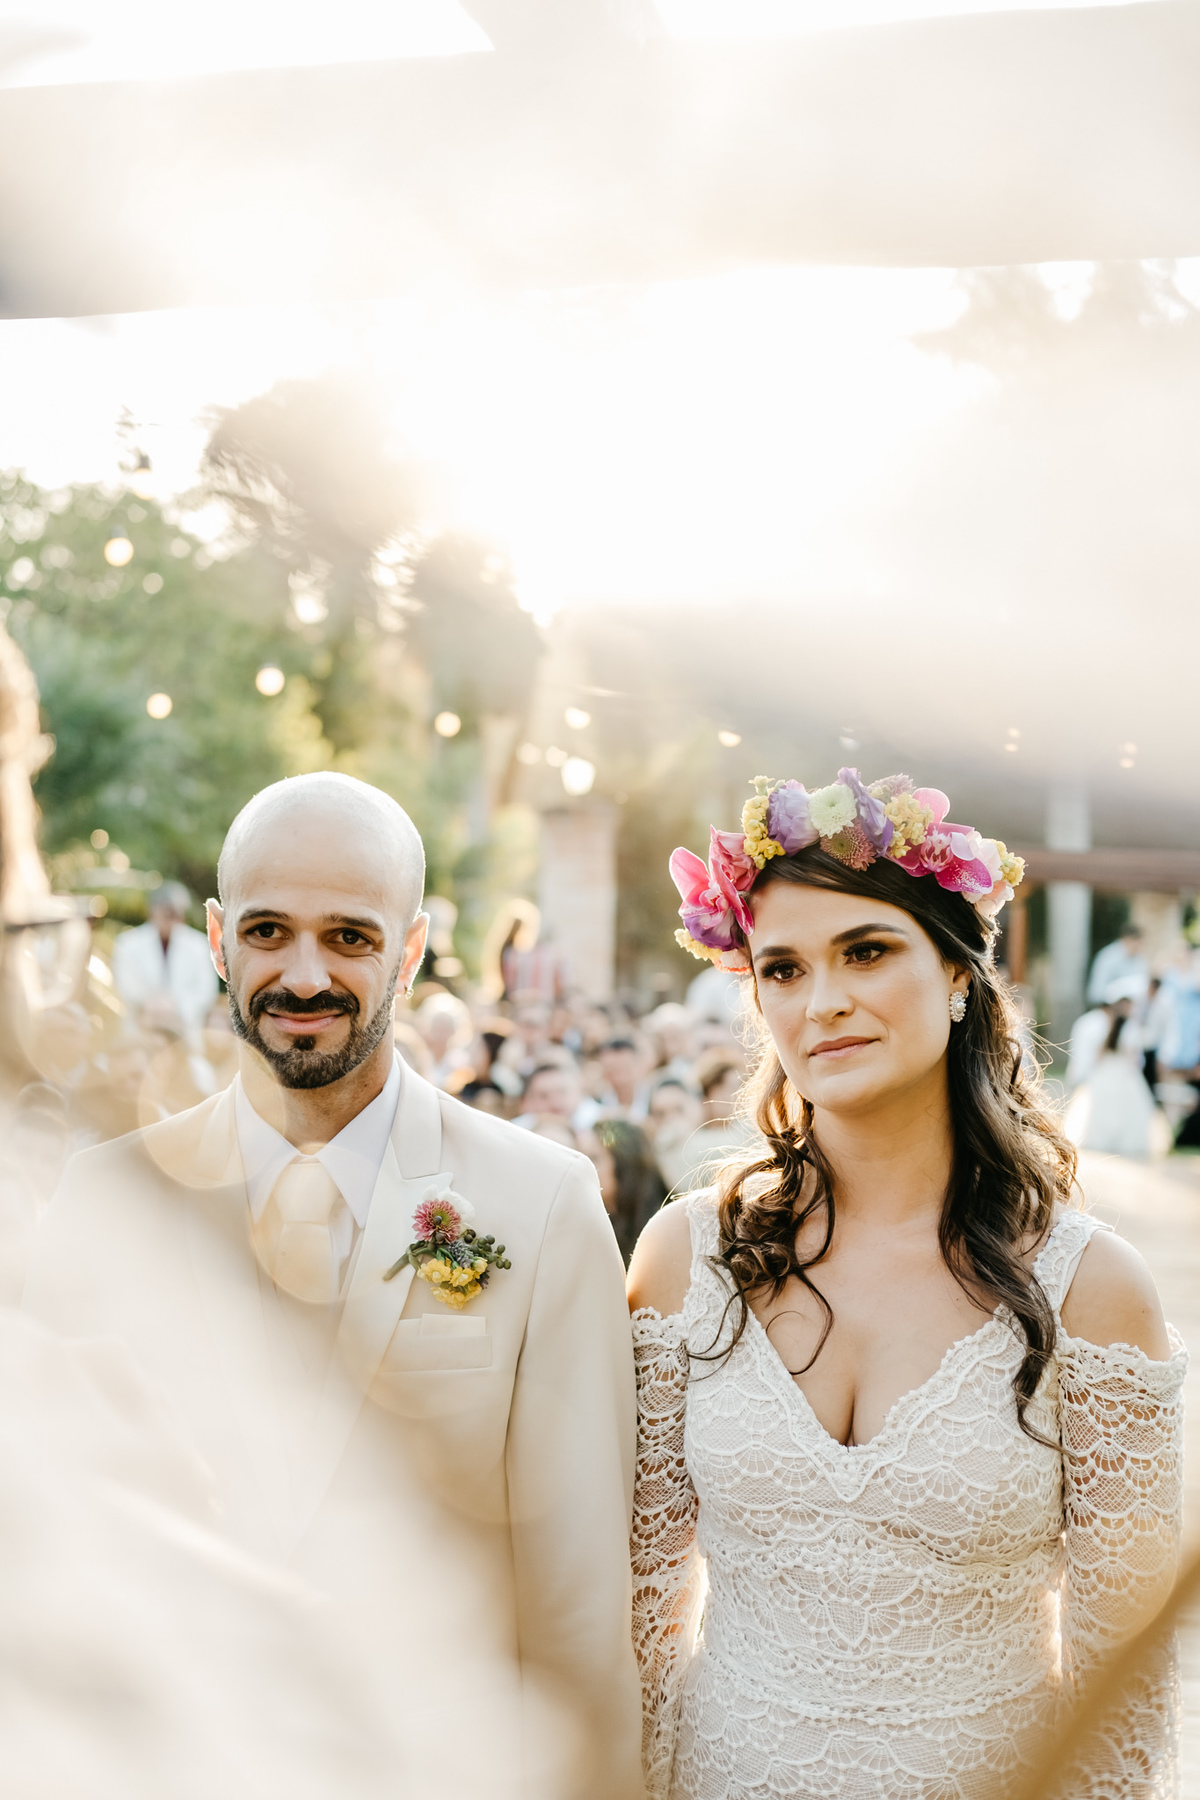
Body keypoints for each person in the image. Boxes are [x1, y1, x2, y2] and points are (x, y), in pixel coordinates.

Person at [24, 771, 644, 1800]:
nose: (303, 975)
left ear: (409, 947)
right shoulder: (99, 1205)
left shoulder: (541, 1206)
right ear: (219, 942)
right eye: (269, 932)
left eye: (350, 937)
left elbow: (578, 1614)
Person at [628, 770, 1184, 1800]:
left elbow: (1126, 1684)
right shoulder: (681, 1260)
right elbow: (638, 1614)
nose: (823, 1000)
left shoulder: (1092, 1290)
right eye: (783, 970)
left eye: (867, 952)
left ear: (961, 975)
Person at [111, 880, 218, 1036]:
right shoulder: (127, 943)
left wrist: (174, 1006)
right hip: (140, 1026)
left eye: (177, 914)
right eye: (167, 912)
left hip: (184, 1028)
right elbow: (124, 984)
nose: (172, 919)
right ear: (153, 911)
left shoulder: (199, 945)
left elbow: (206, 991)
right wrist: (149, 1003)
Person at [592, 1118, 667, 1264]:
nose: (586, 1166)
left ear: (625, 1164)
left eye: (594, 1158)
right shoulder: (590, 1226)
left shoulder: (664, 1228)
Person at [1086, 922, 1149, 1007]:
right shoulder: (1107, 958)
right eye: (1138, 942)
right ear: (1127, 939)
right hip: (1107, 1010)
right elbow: (1096, 993)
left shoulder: (1139, 960)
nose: (1140, 946)